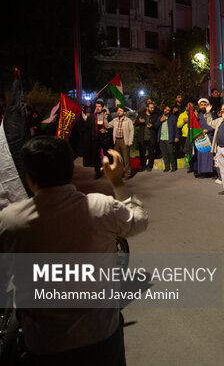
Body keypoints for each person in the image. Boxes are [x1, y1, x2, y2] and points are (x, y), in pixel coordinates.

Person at [0, 136, 147, 364]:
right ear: (70, 168)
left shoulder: (11, 220)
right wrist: (117, 183)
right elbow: (139, 221)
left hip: (44, 343)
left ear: (29, 178)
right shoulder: (101, 207)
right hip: (102, 337)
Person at [80, 99, 112, 179]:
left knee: (107, 156)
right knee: (96, 156)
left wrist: (106, 130)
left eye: (99, 106)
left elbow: (111, 127)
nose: (97, 108)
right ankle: (97, 172)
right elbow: (87, 126)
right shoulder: (92, 116)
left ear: (103, 107)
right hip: (95, 138)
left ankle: (109, 171)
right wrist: (84, 119)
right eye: (96, 106)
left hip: (105, 139)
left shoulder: (107, 115)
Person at [191, 98, 215, 178]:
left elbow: (215, 125)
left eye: (205, 105)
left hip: (209, 137)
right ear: (199, 106)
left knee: (209, 155)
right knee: (201, 154)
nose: (203, 106)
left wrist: (207, 130)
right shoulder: (197, 115)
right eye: (202, 105)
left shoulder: (212, 114)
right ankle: (202, 171)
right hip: (200, 137)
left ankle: (210, 171)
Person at [108, 106, 134, 179]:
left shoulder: (128, 120)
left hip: (124, 140)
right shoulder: (115, 120)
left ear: (124, 112)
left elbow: (131, 131)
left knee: (126, 158)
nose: (118, 112)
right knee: (118, 159)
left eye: (120, 110)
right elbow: (108, 125)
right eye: (118, 110)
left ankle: (127, 174)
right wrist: (104, 118)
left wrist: (130, 141)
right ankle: (120, 173)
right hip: (116, 141)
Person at [153, 105, 180, 172]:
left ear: (170, 111)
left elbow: (176, 128)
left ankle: (174, 167)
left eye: (168, 110)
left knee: (171, 153)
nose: (166, 111)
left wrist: (177, 136)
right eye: (165, 109)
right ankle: (167, 167)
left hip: (169, 138)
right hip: (162, 138)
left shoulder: (173, 118)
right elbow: (155, 126)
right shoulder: (160, 117)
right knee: (164, 153)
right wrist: (160, 121)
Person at [135, 102, 157, 171]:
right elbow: (136, 123)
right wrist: (139, 121)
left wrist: (152, 126)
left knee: (151, 153)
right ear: (147, 108)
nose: (152, 109)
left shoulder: (155, 115)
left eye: (153, 108)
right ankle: (143, 166)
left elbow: (157, 125)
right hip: (142, 138)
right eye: (151, 107)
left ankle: (150, 166)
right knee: (142, 153)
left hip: (151, 137)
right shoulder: (141, 114)